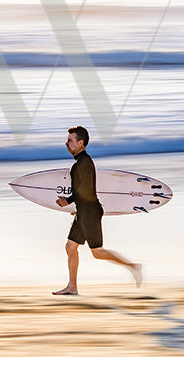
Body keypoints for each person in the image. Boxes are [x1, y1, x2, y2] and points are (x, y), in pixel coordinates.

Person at [52, 125, 143, 295]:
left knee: (98, 252)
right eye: (67, 140)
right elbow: (84, 191)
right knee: (70, 247)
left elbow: (85, 190)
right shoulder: (79, 163)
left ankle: (132, 266)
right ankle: (72, 287)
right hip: (84, 211)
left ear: (81, 143)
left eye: (70, 140)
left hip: (90, 213)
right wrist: (77, 207)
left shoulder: (84, 163)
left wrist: (68, 201)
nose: (66, 143)